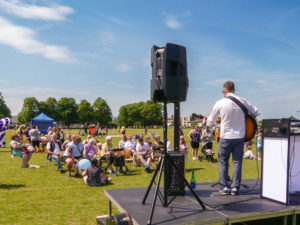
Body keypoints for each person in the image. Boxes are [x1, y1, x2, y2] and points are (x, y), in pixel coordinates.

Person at [206, 81, 260, 196]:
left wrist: (207, 122)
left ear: (224, 91)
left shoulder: (220, 103)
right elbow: (256, 112)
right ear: (234, 90)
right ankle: (235, 188)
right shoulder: (243, 100)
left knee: (223, 162)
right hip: (240, 137)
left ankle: (224, 187)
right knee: (237, 162)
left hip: (225, 137)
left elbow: (210, 121)